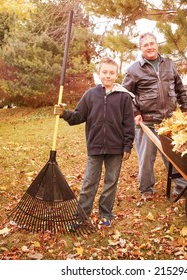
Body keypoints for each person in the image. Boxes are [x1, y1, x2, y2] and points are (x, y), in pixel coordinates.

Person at [54, 57, 135, 227]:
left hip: (116, 147)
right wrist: (63, 114)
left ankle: (106, 214)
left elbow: (128, 123)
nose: (108, 75)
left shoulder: (124, 97)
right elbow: (78, 116)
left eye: (112, 73)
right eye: (104, 72)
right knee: (89, 182)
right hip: (95, 146)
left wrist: (127, 145)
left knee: (111, 182)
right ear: (99, 74)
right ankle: (81, 216)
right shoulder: (90, 95)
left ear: (117, 74)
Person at [122, 32, 187, 201]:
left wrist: (185, 108)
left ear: (157, 44)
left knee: (175, 156)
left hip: (169, 121)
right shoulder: (133, 70)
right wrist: (135, 113)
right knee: (146, 159)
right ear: (141, 48)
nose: (150, 47)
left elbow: (180, 88)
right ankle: (146, 189)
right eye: (146, 45)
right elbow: (124, 95)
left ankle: (180, 187)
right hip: (147, 122)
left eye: (152, 43)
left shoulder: (169, 64)